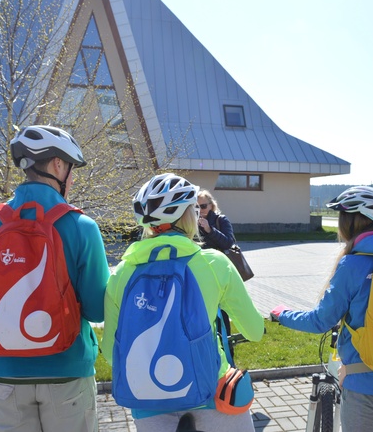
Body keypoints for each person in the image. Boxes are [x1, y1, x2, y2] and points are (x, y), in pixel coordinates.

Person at [0, 125, 110, 432]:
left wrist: (9, 323)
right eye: (72, 169)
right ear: (57, 165)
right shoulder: (82, 226)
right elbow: (96, 310)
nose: (72, 178)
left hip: (2, 373)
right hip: (66, 371)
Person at [101, 173, 264, 432]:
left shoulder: (121, 274)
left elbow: (111, 353)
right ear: (190, 215)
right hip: (212, 395)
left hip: (148, 403)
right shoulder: (214, 264)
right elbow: (255, 332)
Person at [271, 186, 373, 432]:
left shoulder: (353, 263)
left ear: (351, 223)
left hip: (367, 384)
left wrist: (283, 315)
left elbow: (320, 321)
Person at [197, 189, 237, 356]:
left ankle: (227, 349)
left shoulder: (220, 220)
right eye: (196, 206)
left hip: (219, 274)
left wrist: (210, 230)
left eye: (203, 206)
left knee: (222, 312)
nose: (200, 210)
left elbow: (229, 242)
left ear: (212, 205)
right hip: (200, 274)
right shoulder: (191, 222)